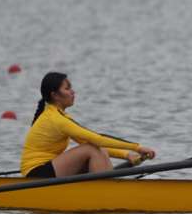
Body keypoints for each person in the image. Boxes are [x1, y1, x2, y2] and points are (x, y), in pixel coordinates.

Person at [20, 72, 156, 178]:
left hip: (48, 169)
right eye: (67, 88)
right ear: (55, 95)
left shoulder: (58, 115)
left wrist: (126, 155)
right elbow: (97, 139)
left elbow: (90, 141)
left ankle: (105, 188)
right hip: (36, 173)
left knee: (96, 148)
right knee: (92, 148)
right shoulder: (56, 119)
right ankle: (106, 191)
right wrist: (137, 147)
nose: (73, 92)